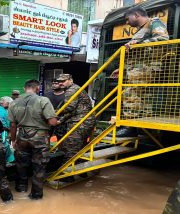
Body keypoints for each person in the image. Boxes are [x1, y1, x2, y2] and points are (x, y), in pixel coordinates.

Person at [110, 5, 169, 137]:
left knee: (132, 93)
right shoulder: (141, 30)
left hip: (146, 67)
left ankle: (130, 127)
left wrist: (139, 43)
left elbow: (163, 40)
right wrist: (122, 68)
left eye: (127, 18)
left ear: (136, 15)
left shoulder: (154, 22)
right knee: (144, 97)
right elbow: (136, 54)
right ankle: (142, 128)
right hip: (139, 68)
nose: (126, 22)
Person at [8, 79, 57, 200]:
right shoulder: (43, 100)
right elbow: (52, 122)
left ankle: (21, 188)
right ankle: (36, 195)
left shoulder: (14, 102)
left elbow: (13, 125)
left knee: (21, 164)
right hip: (40, 138)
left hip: (22, 137)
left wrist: (13, 141)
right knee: (39, 166)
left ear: (25, 88)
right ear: (37, 88)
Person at [56, 74, 96, 179]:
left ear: (70, 80)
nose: (61, 83)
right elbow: (74, 109)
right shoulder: (76, 88)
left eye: (63, 81)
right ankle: (82, 172)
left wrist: (53, 113)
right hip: (87, 121)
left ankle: (66, 177)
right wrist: (61, 120)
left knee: (70, 149)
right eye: (59, 81)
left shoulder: (71, 90)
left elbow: (69, 108)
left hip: (80, 123)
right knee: (80, 148)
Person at [0, 96, 15, 163]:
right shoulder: (1, 111)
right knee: (4, 145)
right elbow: (4, 124)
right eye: (8, 103)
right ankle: (9, 160)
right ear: (4, 103)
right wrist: (10, 130)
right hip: (2, 131)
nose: (9, 105)